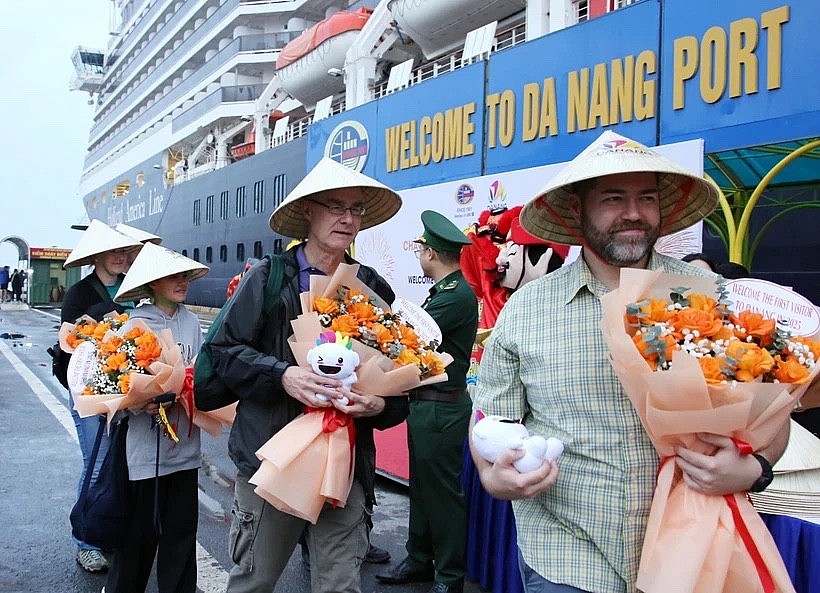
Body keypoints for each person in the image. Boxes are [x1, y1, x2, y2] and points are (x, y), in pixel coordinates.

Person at [470, 130, 792, 593]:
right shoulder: (527, 309)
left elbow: (773, 411)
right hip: (566, 556)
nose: (634, 213)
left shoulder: (709, 296)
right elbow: (491, 415)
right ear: (576, 210)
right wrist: (492, 475)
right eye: (613, 198)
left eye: (647, 197)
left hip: (691, 548)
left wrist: (755, 468)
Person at [205, 157, 409, 593]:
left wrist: (380, 405)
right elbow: (222, 351)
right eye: (335, 207)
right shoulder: (268, 278)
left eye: (355, 209)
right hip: (271, 459)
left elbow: (395, 377)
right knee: (253, 581)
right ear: (308, 213)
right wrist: (283, 375)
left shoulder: (372, 287)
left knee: (340, 584)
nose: (348, 218)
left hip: (345, 464)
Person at [377, 211, 478, 593]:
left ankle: (449, 576)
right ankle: (419, 560)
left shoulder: (455, 297)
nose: (419, 254)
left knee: (443, 496)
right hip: (426, 404)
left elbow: (406, 336)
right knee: (422, 489)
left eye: (421, 248)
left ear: (431, 254)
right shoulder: (443, 293)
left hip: (441, 406)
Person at [105, 243, 208, 593]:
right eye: (173, 276)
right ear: (151, 284)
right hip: (146, 455)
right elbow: (112, 390)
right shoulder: (133, 325)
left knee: (181, 538)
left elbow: (198, 371)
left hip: (186, 450)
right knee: (137, 540)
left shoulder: (192, 322)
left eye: (184, 275)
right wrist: (139, 403)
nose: (182, 282)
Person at [61, 220, 142, 573]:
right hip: (89, 392)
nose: (122, 257)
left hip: (129, 391)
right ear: (98, 256)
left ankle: (111, 528)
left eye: (126, 251)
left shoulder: (134, 288)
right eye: (115, 251)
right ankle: (87, 541)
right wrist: (102, 318)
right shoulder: (79, 294)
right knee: (96, 465)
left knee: (122, 465)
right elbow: (69, 349)